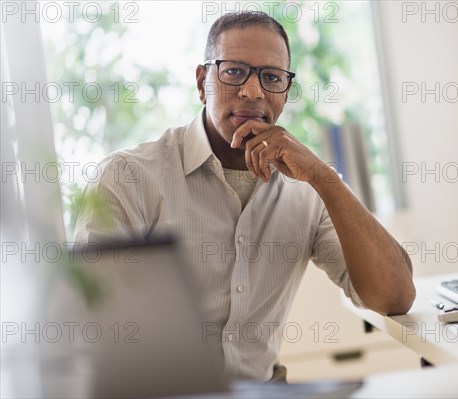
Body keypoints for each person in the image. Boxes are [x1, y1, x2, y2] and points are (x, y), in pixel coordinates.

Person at [75, 11, 415, 382]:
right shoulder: (128, 178)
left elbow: (393, 298)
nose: (253, 92)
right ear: (203, 81)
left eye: (271, 78)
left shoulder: (308, 187)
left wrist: (324, 178)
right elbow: (89, 327)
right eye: (234, 71)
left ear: (285, 91)